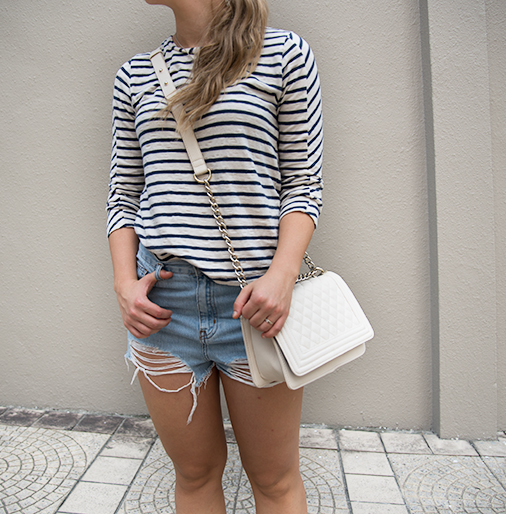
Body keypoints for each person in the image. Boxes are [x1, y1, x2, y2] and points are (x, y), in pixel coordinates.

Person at [107, 0, 323, 511]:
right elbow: (124, 194)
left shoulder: (283, 54)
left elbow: (303, 182)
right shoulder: (134, 74)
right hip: (163, 309)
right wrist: (123, 284)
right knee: (195, 473)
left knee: (274, 479)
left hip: (254, 307)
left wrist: (283, 274)